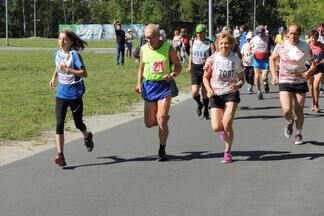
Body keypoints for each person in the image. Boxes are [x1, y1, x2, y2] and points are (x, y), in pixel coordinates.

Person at [135, 24, 182, 162]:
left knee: (160, 118)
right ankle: (163, 120)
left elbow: (179, 66)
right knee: (149, 123)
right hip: (149, 86)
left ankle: (162, 149)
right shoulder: (143, 49)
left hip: (164, 86)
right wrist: (139, 83)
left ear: (158, 35)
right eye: (146, 37)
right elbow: (141, 67)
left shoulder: (168, 48)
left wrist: (172, 75)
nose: (148, 40)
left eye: (151, 37)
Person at [49, 30, 94, 167]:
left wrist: (68, 70)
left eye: (64, 40)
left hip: (74, 94)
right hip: (61, 94)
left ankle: (87, 137)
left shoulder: (75, 55)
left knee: (78, 123)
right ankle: (60, 155)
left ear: (71, 42)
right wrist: (53, 77)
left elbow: (84, 73)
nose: (61, 42)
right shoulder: (57, 54)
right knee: (59, 123)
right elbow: (58, 66)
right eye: (59, 39)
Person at [269, 24, 316, 145]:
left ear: (299, 34)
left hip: (300, 82)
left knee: (299, 112)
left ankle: (299, 133)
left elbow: (313, 65)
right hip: (285, 81)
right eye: (291, 33)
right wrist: (274, 76)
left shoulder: (305, 47)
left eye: (295, 34)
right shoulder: (280, 46)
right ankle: (289, 123)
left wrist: (309, 72)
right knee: (286, 110)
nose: (293, 36)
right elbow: (272, 59)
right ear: (287, 34)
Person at [203, 32, 245, 164]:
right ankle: (224, 132)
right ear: (217, 45)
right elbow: (205, 77)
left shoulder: (236, 60)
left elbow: (242, 80)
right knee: (216, 127)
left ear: (231, 45)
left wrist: (237, 85)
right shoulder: (212, 59)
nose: (224, 46)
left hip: (230, 93)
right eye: (221, 43)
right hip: (215, 94)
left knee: (227, 123)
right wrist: (209, 90)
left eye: (227, 43)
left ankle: (227, 152)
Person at [186, 24, 216, 120]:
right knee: (194, 92)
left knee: (204, 93)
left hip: (206, 70)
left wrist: (207, 61)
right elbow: (191, 53)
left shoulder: (210, 43)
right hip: (195, 68)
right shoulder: (193, 42)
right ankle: (199, 104)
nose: (199, 35)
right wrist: (189, 66)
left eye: (201, 33)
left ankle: (206, 111)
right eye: (197, 33)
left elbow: (214, 57)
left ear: (205, 33)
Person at [248, 25, 274, 100]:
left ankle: (266, 83)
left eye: (261, 32)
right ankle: (259, 92)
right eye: (258, 32)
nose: (260, 34)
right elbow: (249, 46)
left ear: (264, 32)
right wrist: (249, 51)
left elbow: (274, 45)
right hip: (257, 59)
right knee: (257, 77)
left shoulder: (268, 38)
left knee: (264, 77)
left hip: (266, 59)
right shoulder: (254, 39)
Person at [306, 29, 324, 112]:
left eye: (315, 38)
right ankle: (313, 101)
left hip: (319, 67)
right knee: (311, 86)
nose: (313, 40)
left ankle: (316, 103)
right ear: (309, 38)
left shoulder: (321, 45)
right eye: (312, 38)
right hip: (310, 67)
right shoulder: (307, 46)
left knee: (316, 85)